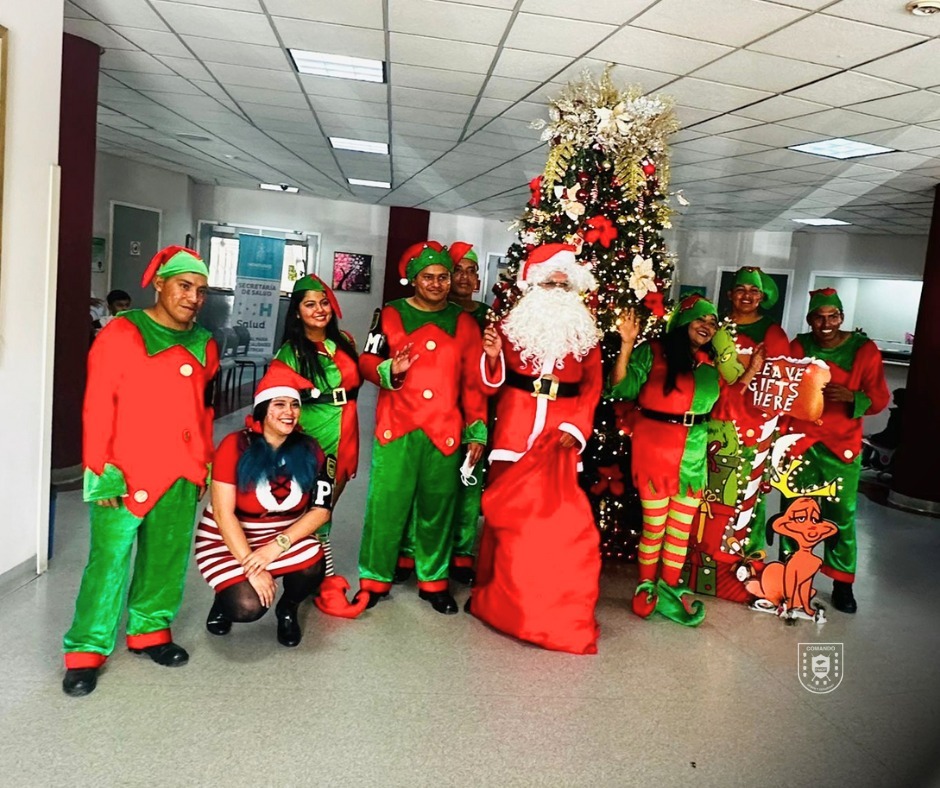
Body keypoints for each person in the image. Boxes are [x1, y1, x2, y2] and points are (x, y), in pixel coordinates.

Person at [62, 246, 218, 697]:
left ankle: (150, 630)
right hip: (124, 470)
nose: (193, 297)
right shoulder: (122, 332)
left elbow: (203, 409)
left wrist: (204, 461)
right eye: (185, 286)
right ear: (160, 284)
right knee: (108, 562)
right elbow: (98, 404)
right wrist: (100, 469)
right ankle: (86, 650)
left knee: (166, 558)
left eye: (201, 290)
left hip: (181, 469)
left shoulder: (204, 341)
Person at [470, 243, 603, 654]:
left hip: (560, 441)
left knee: (556, 527)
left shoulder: (587, 333)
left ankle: (546, 602)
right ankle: (495, 594)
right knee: (505, 522)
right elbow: (490, 385)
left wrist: (576, 428)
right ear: (533, 284)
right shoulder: (510, 327)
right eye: (549, 282)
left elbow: (593, 388)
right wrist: (492, 358)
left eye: (565, 285)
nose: (557, 290)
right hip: (515, 434)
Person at [609, 295, 764, 626]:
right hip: (655, 449)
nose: (707, 326)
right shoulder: (652, 352)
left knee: (680, 532)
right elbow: (622, 386)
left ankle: (669, 587)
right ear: (683, 321)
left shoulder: (709, 365)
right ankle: (646, 585)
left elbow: (723, 407)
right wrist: (626, 345)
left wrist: (750, 372)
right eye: (700, 319)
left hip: (693, 454)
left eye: (712, 323)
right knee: (655, 528)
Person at [356, 240, 488, 614]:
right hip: (396, 428)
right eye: (428, 277)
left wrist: (476, 430)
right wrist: (388, 371)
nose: (436, 283)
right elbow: (367, 360)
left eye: (443, 277)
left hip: (444, 431)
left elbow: (473, 385)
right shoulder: (390, 314)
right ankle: (373, 578)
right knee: (386, 506)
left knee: (437, 509)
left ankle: (433, 581)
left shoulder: (464, 323)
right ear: (413, 279)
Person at [196, 362, 335, 646]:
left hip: (281, 535)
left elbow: (321, 510)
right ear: (262, 409)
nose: (289, 413)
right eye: (280, 404)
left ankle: (288, 609)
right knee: (246, 607)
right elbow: (223, 514)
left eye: (295, 405)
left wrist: (274, 548)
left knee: (313, 565)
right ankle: (223, 598)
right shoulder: (234, 445)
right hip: (227, 538)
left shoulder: (312, 448)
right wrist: (252, 567)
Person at [783, 287, 889, 614]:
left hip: (841, 447)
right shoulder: (799, 346)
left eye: (833, 316)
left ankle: (843, 584)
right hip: (801, 443)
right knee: (794, 515)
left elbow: (880, 398)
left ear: (842, 318)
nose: (826, 323)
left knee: (841, 517)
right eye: (819, 317)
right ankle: (792, 578)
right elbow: (784, 388)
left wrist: (853, 398)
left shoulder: (863, 350)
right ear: (810, 319)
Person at [274, 274, 366, 618]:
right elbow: (278, 398)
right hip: (312, 435)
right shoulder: (291, 352)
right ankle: (317, 581)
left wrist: (393, 369)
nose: (319, 310)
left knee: (326, 509)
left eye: (324, 302)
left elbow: (367, 375)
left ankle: (312, 578)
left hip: (346, 433)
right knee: (315, 511)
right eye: (310, 304)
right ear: (297, 311)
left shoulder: (344, 340)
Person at [706, 266, 790, 553]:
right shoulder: (715, 327)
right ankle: (707, 558)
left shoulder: (772, 333)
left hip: (752, 427)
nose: (747, 295)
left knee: (747, 496)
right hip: (712, 421)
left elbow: (781, 383)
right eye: (741, 289)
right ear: (730, 294)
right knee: (711, 493)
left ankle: (747, 559)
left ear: (762, 297)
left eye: (754, 291)